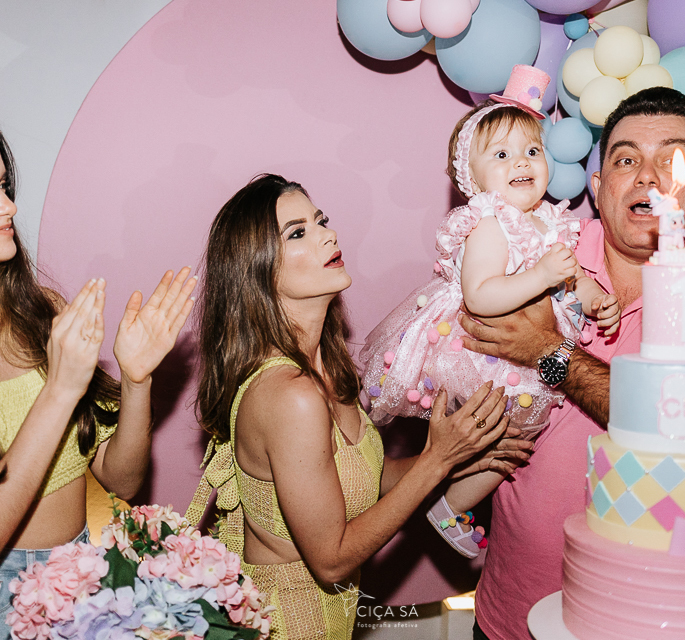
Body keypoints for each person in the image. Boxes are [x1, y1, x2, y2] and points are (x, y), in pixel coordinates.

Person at [457, 86, 685, 640]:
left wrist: (549, 351)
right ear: (598, 185)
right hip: (510, 611)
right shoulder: (539, 255)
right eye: (626, 160)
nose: (647, 177)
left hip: (653, 615)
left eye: (671, 161)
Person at [0, 96, 197, 639]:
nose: (7, 205)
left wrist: (136, 379)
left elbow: (120, 479)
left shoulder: (39, 313)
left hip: (76, 586)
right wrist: (58, 391)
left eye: (5, 185)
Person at [187, 174, 527, 640]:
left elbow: (363, 478)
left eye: (320, 220)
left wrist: (463, 456)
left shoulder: (324, 368)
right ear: (258, 271)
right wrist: (436, 459)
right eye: (298, 233)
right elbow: (331, 561)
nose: (328, 235)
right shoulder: (289, 396)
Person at [360, 65, 620, 559]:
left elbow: (569, 279)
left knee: (513, 437)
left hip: (527, 353)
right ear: (473, 179)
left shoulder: (549, 221)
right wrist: (540, 277)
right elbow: (480, 296)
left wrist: (594, 300)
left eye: (532, 151)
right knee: (506, 437)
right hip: (482, 350)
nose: (522, 161)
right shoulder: (488, 223)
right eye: (501, 155)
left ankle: (450, 502)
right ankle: (448, 505)